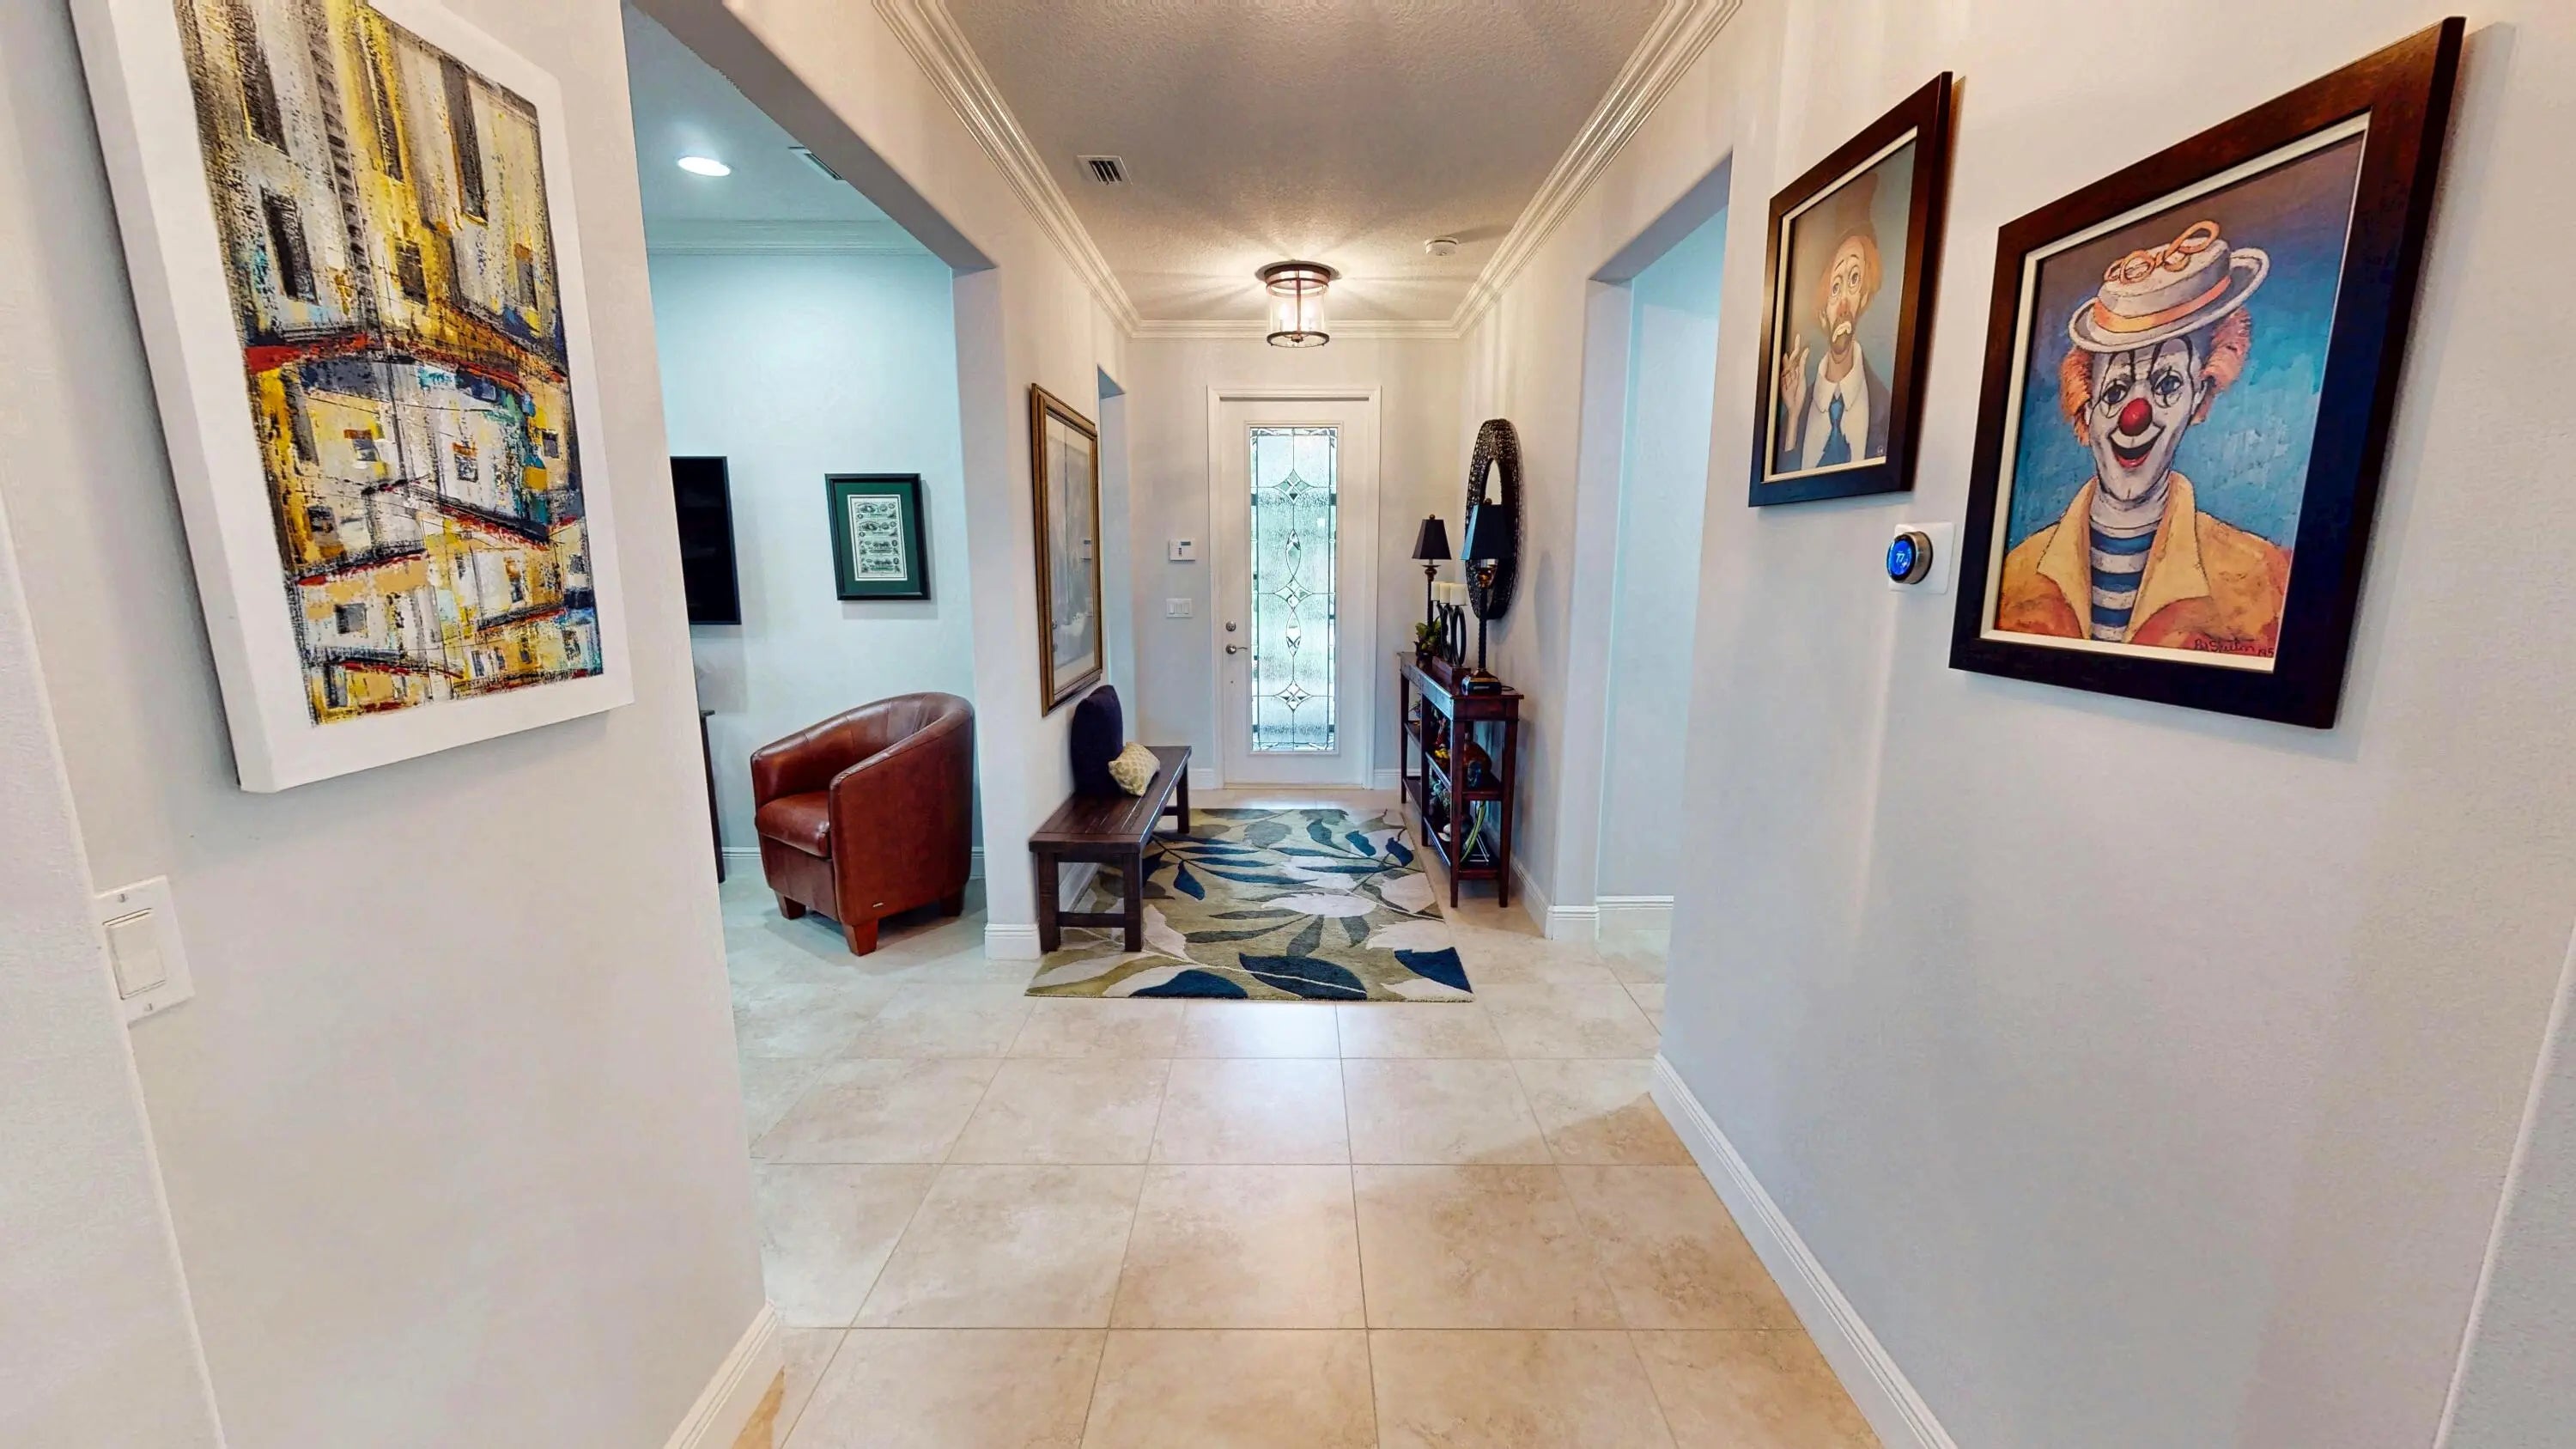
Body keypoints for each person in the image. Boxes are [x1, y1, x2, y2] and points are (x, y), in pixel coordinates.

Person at [1996, 219, 2291, 655]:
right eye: (2115, 392)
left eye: (2168, 384)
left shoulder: (2264, 578)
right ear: (2087, 408)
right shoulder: (2015, 575)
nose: (2136, 417)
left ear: (2199, 394)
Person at [1774, 178, 1892, 472]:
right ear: (1822, 310)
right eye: (1835, 287)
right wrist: (1794, 415)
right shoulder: (1797, 414)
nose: (1842, 306)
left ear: (1864, 295)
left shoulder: (1885, 407)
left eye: (1854, 280)